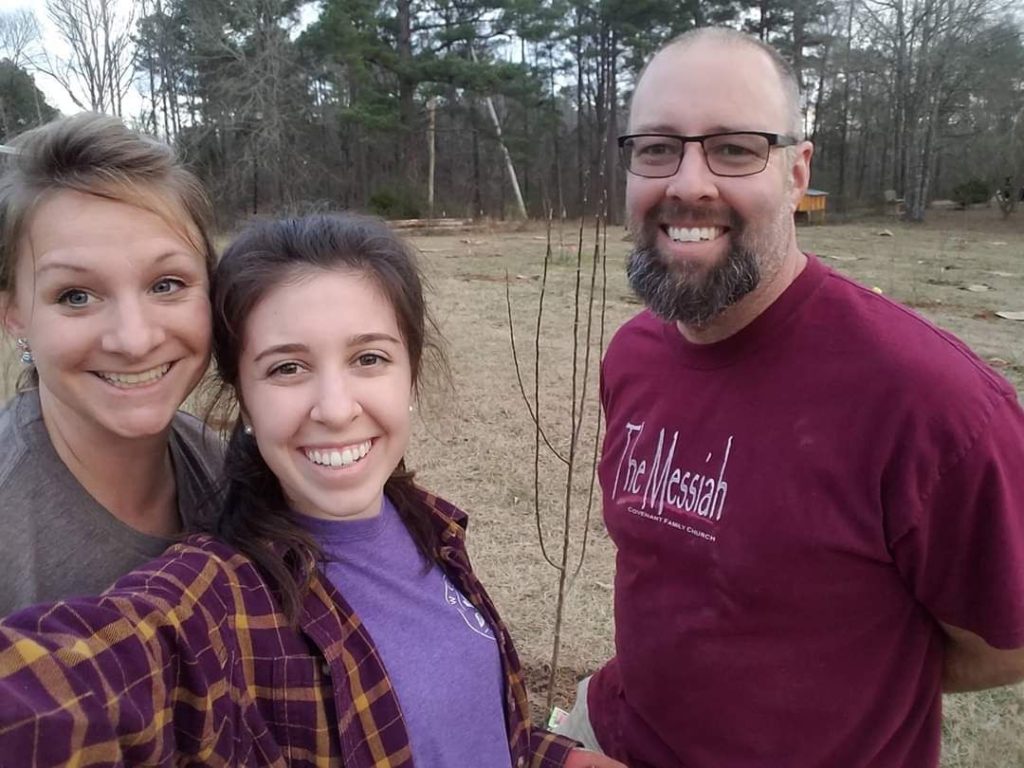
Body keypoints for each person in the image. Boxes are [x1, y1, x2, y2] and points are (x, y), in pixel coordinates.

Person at [554, 27, 1024, 768]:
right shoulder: (634, 355)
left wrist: (866, 677)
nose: (687, 183)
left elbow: (1012, 641)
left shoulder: (934, 404)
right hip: (613, 735)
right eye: (657, 148)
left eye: (735, 148)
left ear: (797, 173)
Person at [0, 213, 625, 768]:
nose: (334, 408)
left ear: (410, 370)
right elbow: (64, 694)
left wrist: (550, 756)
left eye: (369, 359)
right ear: (242, 397)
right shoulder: (220, 603)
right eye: (287, 368)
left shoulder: (423, 526)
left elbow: (463, 729)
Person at [0, 113, 222, 615]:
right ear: (13, 313)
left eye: (166, 285)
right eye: (76, 295)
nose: (134, 339)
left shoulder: (225, 472)